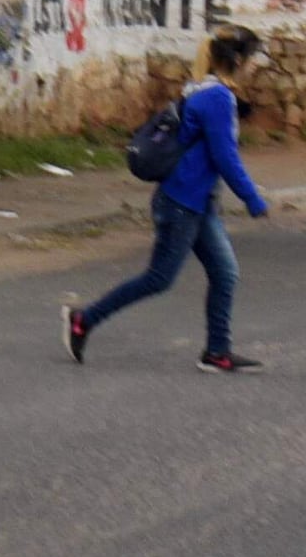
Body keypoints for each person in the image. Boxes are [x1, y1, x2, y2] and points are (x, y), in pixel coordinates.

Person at [67, 27, 272, 373]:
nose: (255, 66)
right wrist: (252, 198)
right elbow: (225, 156)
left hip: (198, 202)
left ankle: (217, 352)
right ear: (237, 60)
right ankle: (84, 320)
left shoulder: (207, 91)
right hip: (181, 202)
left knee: (225, 273)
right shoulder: (218, 98)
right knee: (159, 278)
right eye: (252, 58)